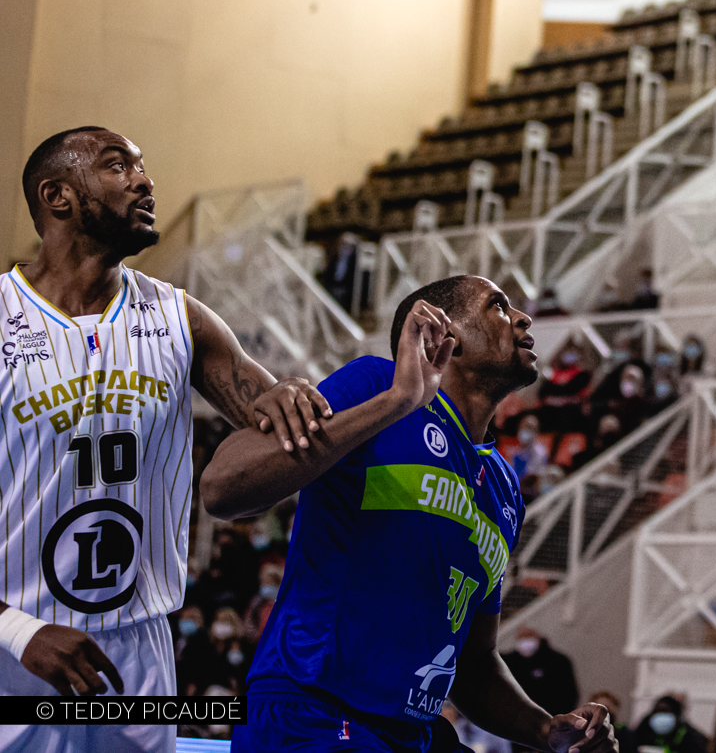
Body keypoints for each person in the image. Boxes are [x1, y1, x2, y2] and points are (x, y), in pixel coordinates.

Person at [0, 127, 327, 752]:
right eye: (119, 166)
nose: (146, 181)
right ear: (58, 197)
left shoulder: (182, 318)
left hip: (140, 645)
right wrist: (17, 632)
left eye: (143, 167)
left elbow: (276, 429)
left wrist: (292, 399)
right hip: (18, 645)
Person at [205, 276, 614, 753]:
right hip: (313, 713)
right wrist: (397, 402)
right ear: (447, 337)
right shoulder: (374, 384)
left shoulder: (504, 486)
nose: (523, 319)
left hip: (409, 732)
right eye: (498, 307)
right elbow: (222, 487)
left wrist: (546, 731)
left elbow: (475, 660)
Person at [504, 629, 581, 721]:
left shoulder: (557, 661)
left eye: (528, 636)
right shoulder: (510, 663)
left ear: (537, 637)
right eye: (522, 637)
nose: (526, 641)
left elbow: (569, 691)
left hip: (554, 716)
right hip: (522, 720)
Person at [634, 696, 706, 753]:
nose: (661, 716)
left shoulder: (689, 735)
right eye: (658, 711)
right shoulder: (644, 729)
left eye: (665, 711)